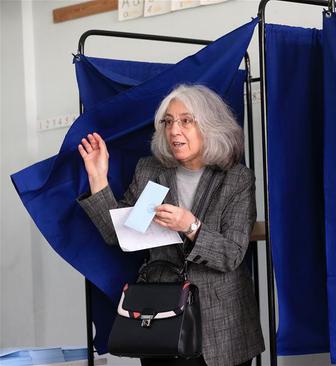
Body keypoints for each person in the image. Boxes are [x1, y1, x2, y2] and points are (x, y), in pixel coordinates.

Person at [77, 84, 264, 366]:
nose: (174, 130)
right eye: (168, 122)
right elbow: (119, 235)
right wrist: (98, 177)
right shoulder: (149, 170)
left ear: (210, 126)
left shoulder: (236, 179)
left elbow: (231, 255)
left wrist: (191, 226)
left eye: (186, 121)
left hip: (221, 328)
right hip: (160, 321)